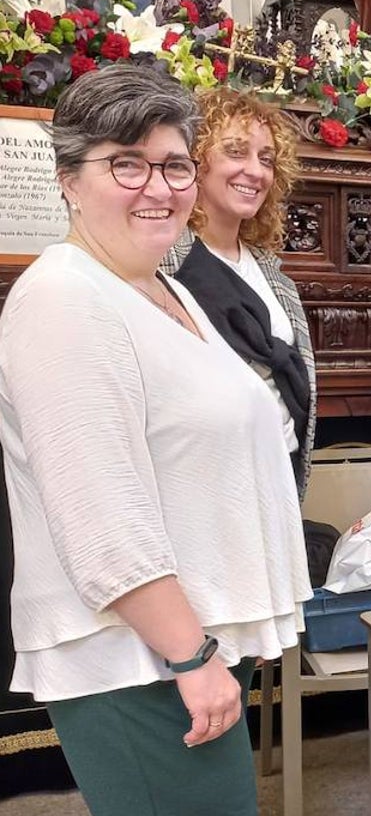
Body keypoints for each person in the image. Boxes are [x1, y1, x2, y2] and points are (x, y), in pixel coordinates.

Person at [0, 65, 311, 816]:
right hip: (134, 658)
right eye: (127, 164)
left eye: (173, 165)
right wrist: (191, 654)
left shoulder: (156, 285)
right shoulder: (63, 300)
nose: (159, 187)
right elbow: (101, 517)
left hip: (178, 648)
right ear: (70, 179)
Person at [161, 88, 317, 499]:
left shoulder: (271, 271)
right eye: (236, 151)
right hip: (207, 480)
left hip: (279, 467)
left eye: (266, 159)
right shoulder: (164, 261)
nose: (255, 171)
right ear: (195, 160)